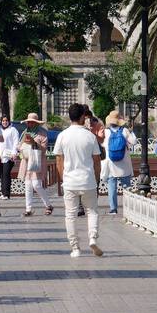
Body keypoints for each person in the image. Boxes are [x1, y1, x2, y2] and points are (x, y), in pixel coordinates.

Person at [53, 104, 102, 258]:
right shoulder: (90, 136)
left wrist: (63, 177)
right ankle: (92, 238)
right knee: (92, 211)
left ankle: (75, 247)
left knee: (70, 215)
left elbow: (59, 161)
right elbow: (97, 161)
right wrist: (96, 178)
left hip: (70, 181)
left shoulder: (62, 135)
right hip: (87, 179)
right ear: (82, 117)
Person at [102, 110, 136, 215]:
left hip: (111, 163)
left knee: (112, 186)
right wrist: (132, 132)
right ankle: (129, 208)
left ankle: (113, 209)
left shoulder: (106, 132)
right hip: (124, 162)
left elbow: (103, 145)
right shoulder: (125, 130)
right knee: (126, 186)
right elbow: (133, 142)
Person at [19, 131, 54, 217]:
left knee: (37, 185)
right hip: (26, 162)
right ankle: (28, 209)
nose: (30, 124)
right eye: (29, 122)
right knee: (28, 186)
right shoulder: (24, 133)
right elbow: (19, 146)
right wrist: (22, 147)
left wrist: (33, 143)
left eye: (32, 122)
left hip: (36, 162)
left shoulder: (42, 134)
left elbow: (44, 149)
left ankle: (48, 205)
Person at [0, 115, 20, 200]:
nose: (4, 122)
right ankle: (3, 193)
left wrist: (14, 153)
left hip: (9, 156)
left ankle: (7, 194)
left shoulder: (13, 130)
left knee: (6, 174)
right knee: (2, 175)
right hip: (1, 156)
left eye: (6, 120)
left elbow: (16, 142)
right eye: (3, 121)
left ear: (9, 121)